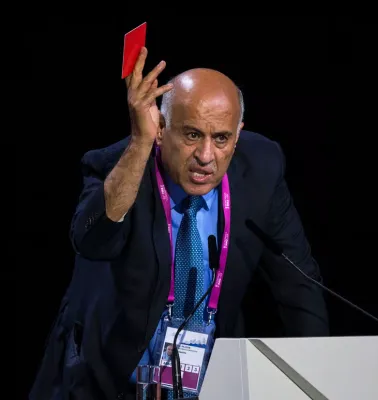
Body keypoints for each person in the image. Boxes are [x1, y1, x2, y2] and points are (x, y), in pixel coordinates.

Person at [29, 47, 329, 399]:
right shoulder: (117, 165)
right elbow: (92, 241)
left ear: (238, 134)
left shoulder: (262, 167)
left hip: (208, 382)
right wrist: (140, 143)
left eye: (221, 139)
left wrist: (316, 375)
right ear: (161, 128)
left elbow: (299, 283)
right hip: (104, 377)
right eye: (191, 135)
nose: (206, 156)